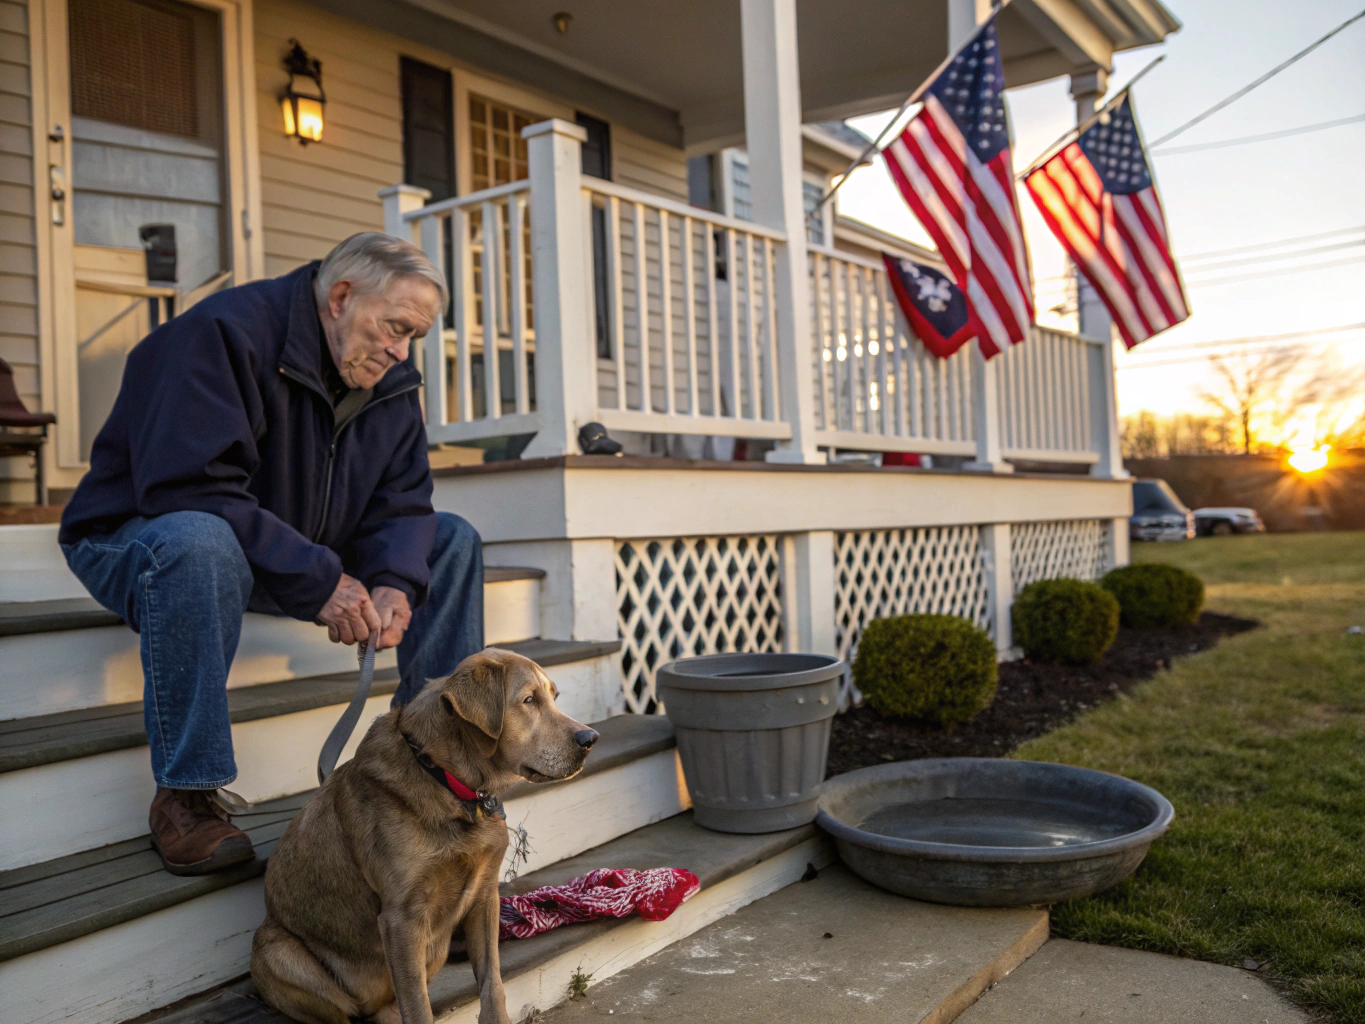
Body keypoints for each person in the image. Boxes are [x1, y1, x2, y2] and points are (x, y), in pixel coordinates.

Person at [59, 233, 484, 876]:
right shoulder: (220, 334)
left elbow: (403, 503)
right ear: (341, 297)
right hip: (139, 535)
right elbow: (189, 488)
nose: (402, 350)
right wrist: (320, 580)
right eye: (396, 328)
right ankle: (187, 795)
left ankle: (444, 771)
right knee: (199, 541)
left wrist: (395, 581)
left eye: (414, 337)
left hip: (268, 545)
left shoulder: (391, 379)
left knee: (450, 540)